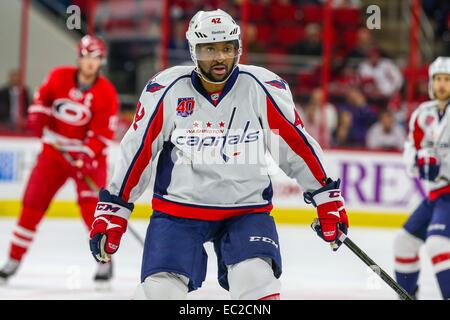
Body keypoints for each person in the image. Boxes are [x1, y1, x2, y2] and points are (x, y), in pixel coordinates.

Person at [87, 9, 349, 300]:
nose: (220, 57)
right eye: (209, 49)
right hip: (179, 213)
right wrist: (115, 208)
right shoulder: (166, 90)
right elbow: (138, 152)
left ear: (238, 48)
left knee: (258, 285)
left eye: (227, 48)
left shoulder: (261, 87)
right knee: (157, 293)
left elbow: (296, 145)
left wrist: (326, 197)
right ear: (193, 50)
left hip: (246, 212)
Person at [0, 35, 119, 285]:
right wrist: (37, 117)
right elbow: (41, 101)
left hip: (88, 158)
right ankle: (13, 259)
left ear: (101, 62)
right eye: (86, 57)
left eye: (95, 58)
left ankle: (104, 261)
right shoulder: (58, 76)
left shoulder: (106, 93)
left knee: (92, 211)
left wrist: (85, 157)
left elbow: (101, 134)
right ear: (79, 58)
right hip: (54, 152)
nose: (89, 63)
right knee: (32, 204)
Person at [393, 57, 450, 300]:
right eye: (438, 79)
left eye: (447, 80)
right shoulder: (422, 114)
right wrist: (420, 162)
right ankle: (408, 296)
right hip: (436, 196)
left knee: (437, 244)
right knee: (403, 243)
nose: (442, 85)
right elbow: (410, 151)